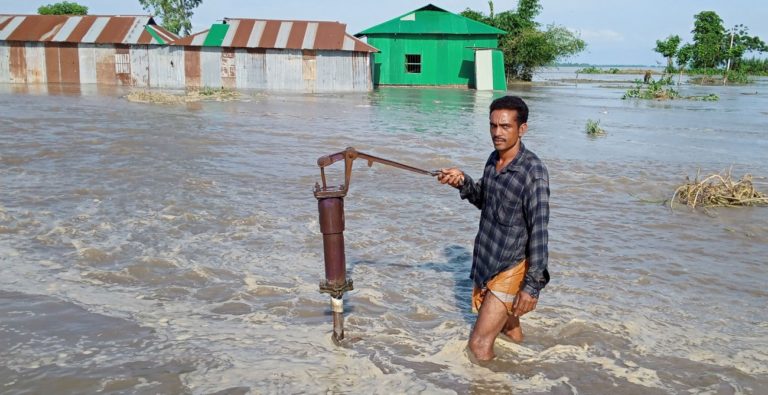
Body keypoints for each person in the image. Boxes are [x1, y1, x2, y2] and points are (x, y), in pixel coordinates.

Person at [438, 95, 550, 362]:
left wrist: (531, 287)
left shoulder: (533, 172)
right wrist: (462, 182)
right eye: (493, 126)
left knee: (478, 345)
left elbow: (539, 232)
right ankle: (533, 371)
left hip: (509, 267)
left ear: (522, 129)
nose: (497, 133)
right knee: (509, 329)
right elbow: (485, 202)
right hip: (486, 261)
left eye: (505, 126)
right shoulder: (493, 160)